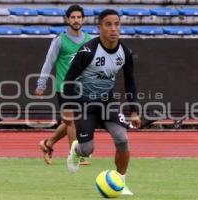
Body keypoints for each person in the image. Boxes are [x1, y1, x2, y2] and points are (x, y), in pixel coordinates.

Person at [63, 9, 141, 195]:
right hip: (84, 104)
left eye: (117, 24)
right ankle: (77, 148)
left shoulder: (125, 52)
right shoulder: (87, 51)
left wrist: (134, 111)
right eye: (108, 24)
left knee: (122, 139)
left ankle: (121, 182)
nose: (114, 29)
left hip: (108, 102)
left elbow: (130, 82)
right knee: (87, 149)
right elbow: (69, 79)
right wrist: (67, 108)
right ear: (99, 28)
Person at [35, 4, 91, 165]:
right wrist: (41, 83)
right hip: (64, 87)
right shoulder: (60, 40)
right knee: (71, 121)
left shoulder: (89, 40)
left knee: (71, 122)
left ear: (83, 19)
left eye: (79, 17)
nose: (76, 20)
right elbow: (48, 62)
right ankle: (76, 155)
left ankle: (48, 143)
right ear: (67, 19)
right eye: (73, 17)